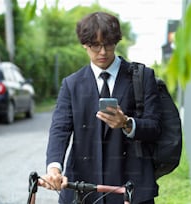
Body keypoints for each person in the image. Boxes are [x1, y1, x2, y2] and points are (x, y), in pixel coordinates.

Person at [39, 11, 161, 204]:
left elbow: (155, 127)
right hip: (83, 184)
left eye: (109, 44)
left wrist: (127, 123)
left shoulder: (142, 77)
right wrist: (54, 168)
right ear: (84, 45)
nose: (103, 52)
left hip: (131, 184)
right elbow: (60, 129)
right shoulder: (72, 84)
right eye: (95, 45)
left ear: (117, 42)